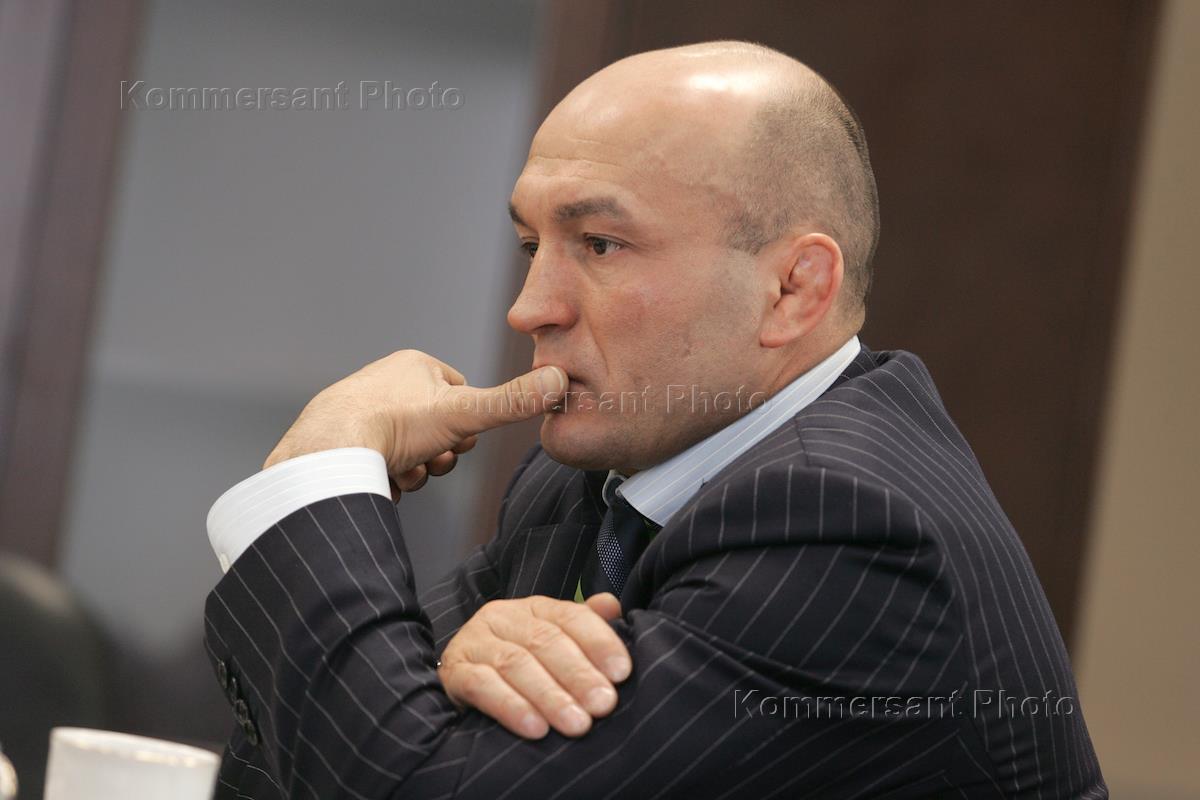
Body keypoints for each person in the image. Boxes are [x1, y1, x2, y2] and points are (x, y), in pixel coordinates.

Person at [202, 41, 1105, 798]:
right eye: (531, 245)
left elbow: (401, 781)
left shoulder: (852, 529)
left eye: (600, 244)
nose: (530, 307)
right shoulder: (591, 480)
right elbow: (295, 766)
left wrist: (321, 464)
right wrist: (437, 678)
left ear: (793, 289)